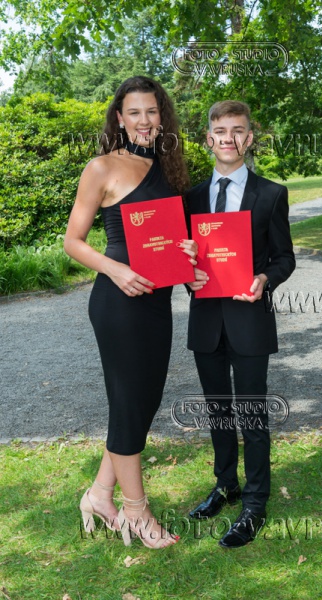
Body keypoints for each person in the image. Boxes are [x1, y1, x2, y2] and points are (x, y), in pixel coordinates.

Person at [64, 76, 197, 549]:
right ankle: (136, 513)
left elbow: (176, 239)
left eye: (152, 112)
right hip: (118, 303)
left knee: (142, 401)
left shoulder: (169, 167)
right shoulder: (101, 167)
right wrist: (116, 270)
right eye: (135, 112)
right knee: (128, 402)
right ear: (119, 118)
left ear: (163, 117)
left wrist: (188, 253)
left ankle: (100, 495)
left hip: (158, 302)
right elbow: (72, 241)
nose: (144, 121)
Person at [186, 101, 295, 548]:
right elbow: (182, 257)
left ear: (249, 139)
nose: (228, 138)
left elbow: (284, 258)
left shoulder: (271, 194)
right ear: (208, 139)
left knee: (251, 415)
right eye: (220, 130)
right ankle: (225, 484)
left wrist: (264, 279)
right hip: (205, 322)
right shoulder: (190, 197)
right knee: (218, 412)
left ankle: (254, 503)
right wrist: (187, 273)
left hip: (250, 320)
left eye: (237, 130)